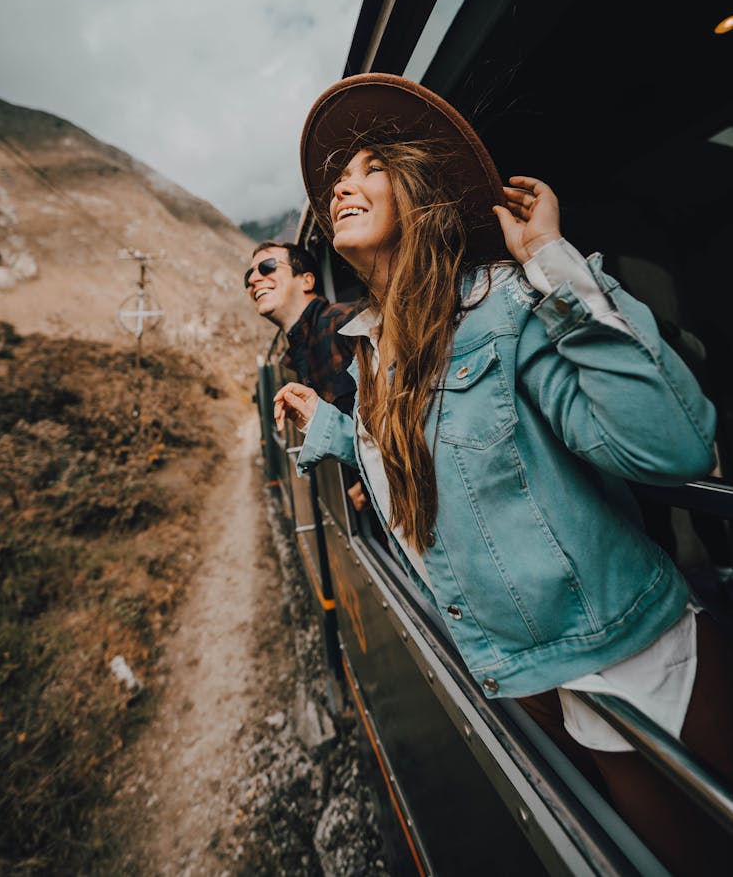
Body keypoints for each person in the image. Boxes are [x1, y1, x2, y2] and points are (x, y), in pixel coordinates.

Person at [273, 72, 733, 875]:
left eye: (369, 167)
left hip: (637, 667)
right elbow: (438, 455)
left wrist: (554, 263)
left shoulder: (503, 304)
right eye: (340, 176)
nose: (343, 182)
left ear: (416, 192)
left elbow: (671, 449)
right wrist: (339, 433)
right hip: (529, 677)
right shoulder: (374, 351)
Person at [246, 240, 367, 509]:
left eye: (267, 267)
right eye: (249, 275)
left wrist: (373, 483)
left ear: (307, 281)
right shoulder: (300, 354)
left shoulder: (349, 323)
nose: (254, 279)